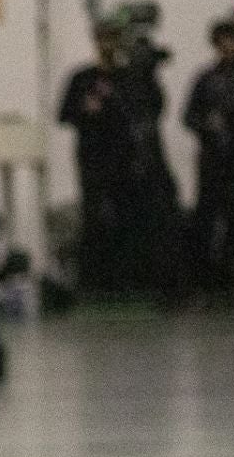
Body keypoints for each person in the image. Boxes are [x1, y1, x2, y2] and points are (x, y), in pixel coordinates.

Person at [59, 18, 180, 298]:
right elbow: (65, 114)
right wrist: (86, 109)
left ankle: (127, 280)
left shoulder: (130, 78)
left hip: (125, 159)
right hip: (93, 159)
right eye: (103, 38)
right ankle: (93, 283)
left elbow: (153, 109)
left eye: (113, 38)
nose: (108, 45)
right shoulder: (83, 78)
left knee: (129, 218)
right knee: (95, 218)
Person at [184, 19, 234, 300]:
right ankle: (204, 278)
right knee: (206, 217)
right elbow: (189, 117)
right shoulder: (206, 79)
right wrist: (208, 124)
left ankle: (227, 278)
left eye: (232, 40)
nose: (228, 46)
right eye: (223, 41)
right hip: (212, 158)